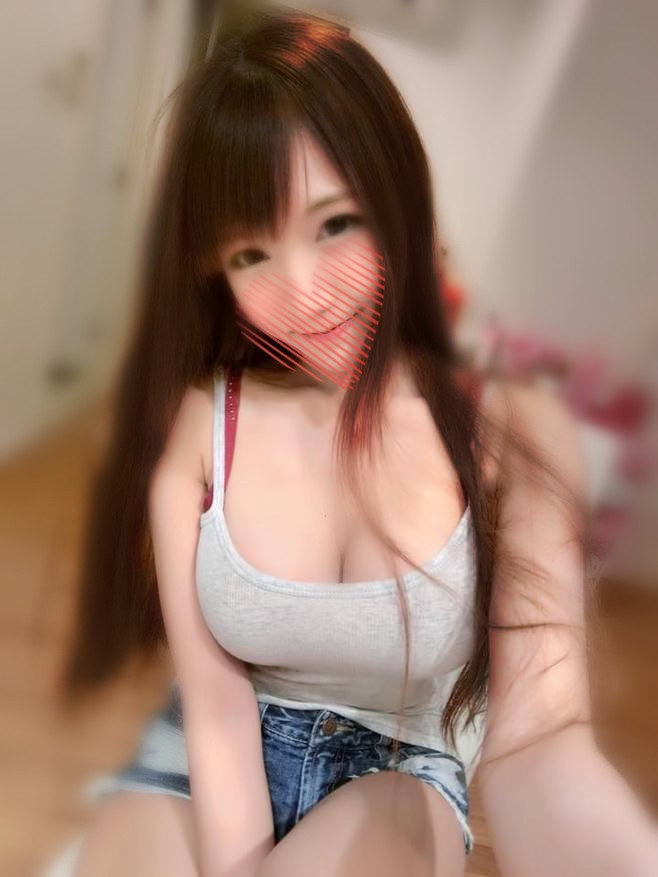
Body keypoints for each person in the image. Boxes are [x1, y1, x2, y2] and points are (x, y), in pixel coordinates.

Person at [61, 10, 658, 877]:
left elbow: (543, 738)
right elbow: (219, 716)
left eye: (335, 223)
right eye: (251, 254)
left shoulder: (510, 428)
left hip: (394, 775)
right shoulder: (203, 423)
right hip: (194, 768)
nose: (303, 293)